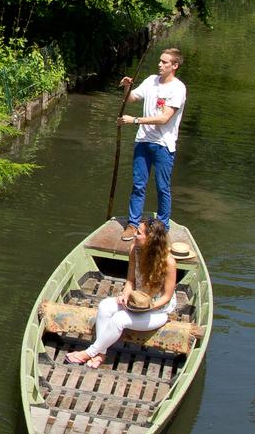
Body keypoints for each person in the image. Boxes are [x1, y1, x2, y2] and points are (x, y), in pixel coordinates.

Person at [65, 219, 178, 368]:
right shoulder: (134, 250)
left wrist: (147, 306)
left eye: (138, 233)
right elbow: (130, 281)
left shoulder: (169, 262)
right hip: (136, 301)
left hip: (157, 311)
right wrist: (125, 295)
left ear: (150, 239)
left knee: (119, 319)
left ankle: (89, 352)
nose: (134, 235)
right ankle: (101, 353)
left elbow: (166, 297)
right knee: (105, 306)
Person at [116, 48, 186, 241]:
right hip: (143, 142)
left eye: (165, 62)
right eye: (160, 61)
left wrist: (135, 120)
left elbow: (164, 119)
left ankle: (162, 225)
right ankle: (132, 224)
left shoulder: (178, 89)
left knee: (162, 187)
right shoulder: (150, 81)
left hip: (163, 144)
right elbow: (130, 99)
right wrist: (127, 87)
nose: (160, 65)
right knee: (138, 185)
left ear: (174, 66)